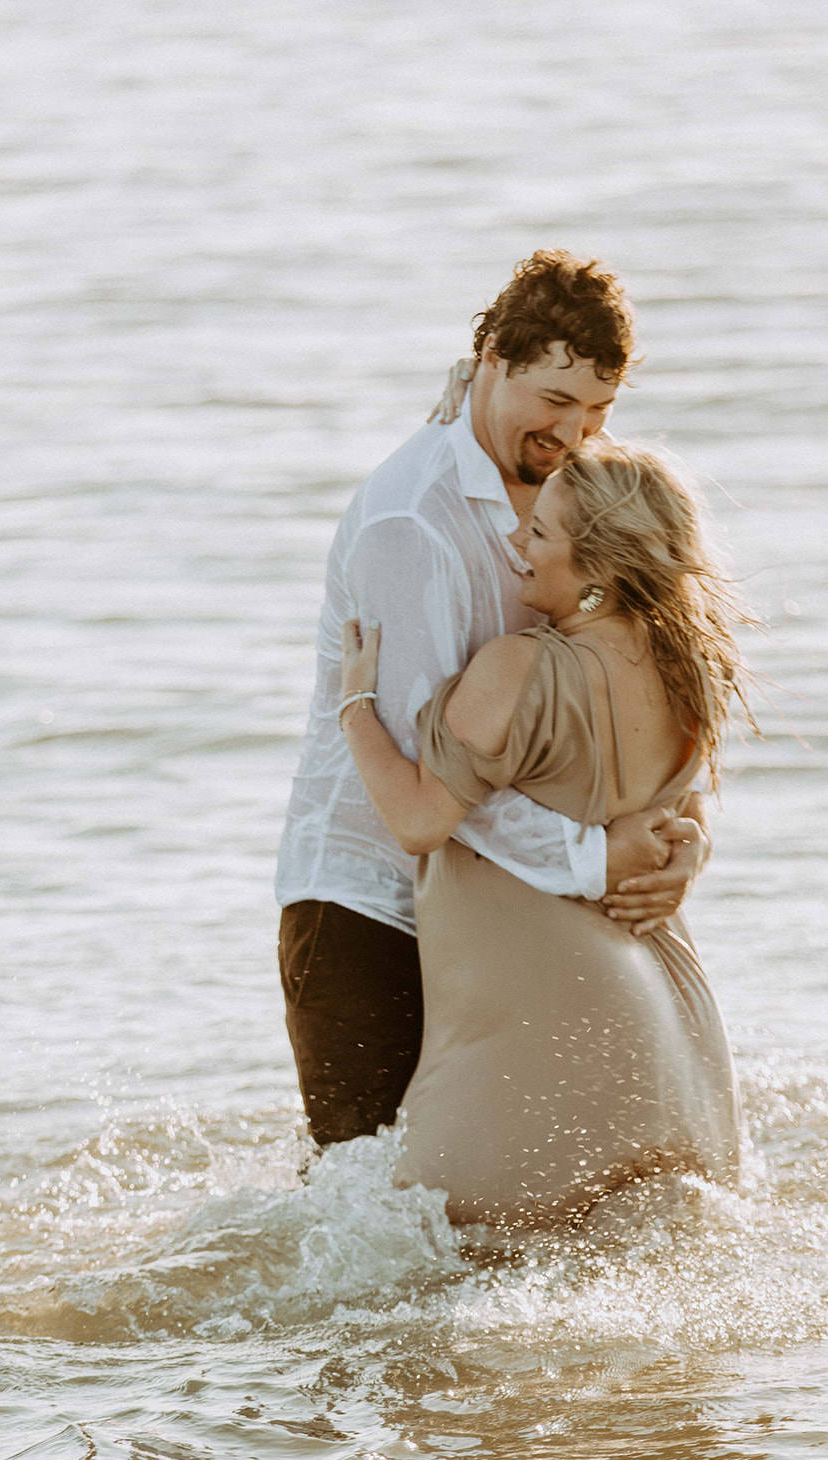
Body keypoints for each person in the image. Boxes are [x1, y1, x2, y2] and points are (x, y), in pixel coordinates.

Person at [276, 250, 710, 1149]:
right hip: (374, 912)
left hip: (506, 918)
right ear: (491, 364)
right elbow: (431, 793)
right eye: (555, 401)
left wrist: (682, 839)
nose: (576, 431)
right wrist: (598, 858)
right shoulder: (413, 525)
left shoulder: (571, 498)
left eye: (599, 410)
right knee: (372, 1219)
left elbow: (618, 700)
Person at [339, 436, 749, 1225]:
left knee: (425, 1285)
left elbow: (419, 821)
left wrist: (356, 708)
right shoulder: (689, 667)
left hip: (545, 1039)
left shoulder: (517, 668)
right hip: (676, 1040)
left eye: (540, 533)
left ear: (594, 571)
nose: (514, 543)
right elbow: (684, 807)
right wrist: (693, 846)